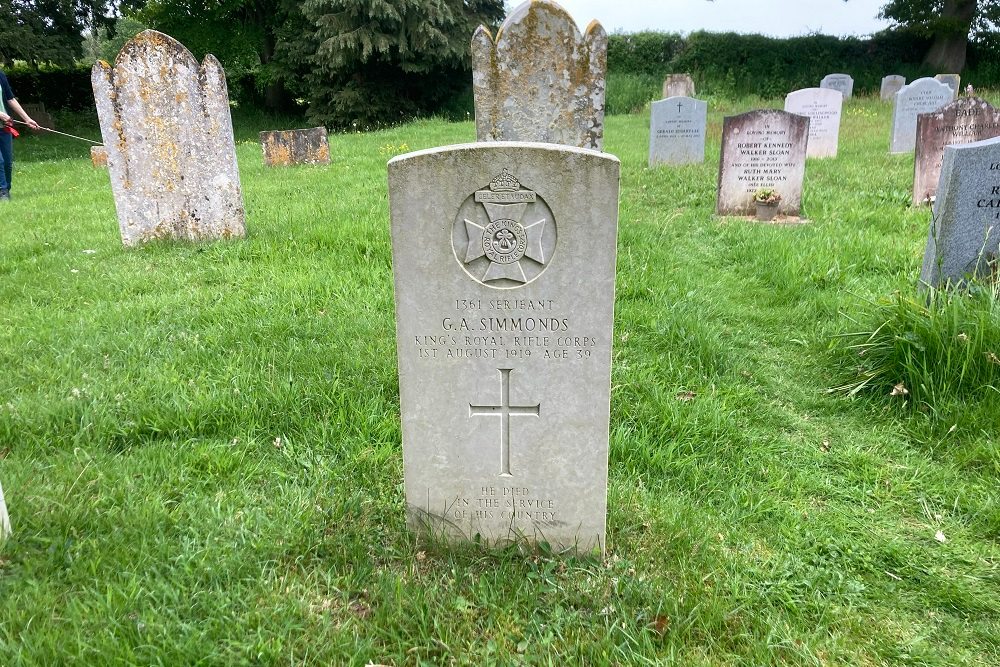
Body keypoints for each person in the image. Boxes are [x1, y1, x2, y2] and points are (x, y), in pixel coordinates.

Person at [0, 69, 40, 201]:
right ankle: (3, 192)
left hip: (4, 127)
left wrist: (27, 119)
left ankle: (7, 189)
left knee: (7, 162)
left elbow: (10, 99)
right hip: (2, 119)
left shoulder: (0, 75)